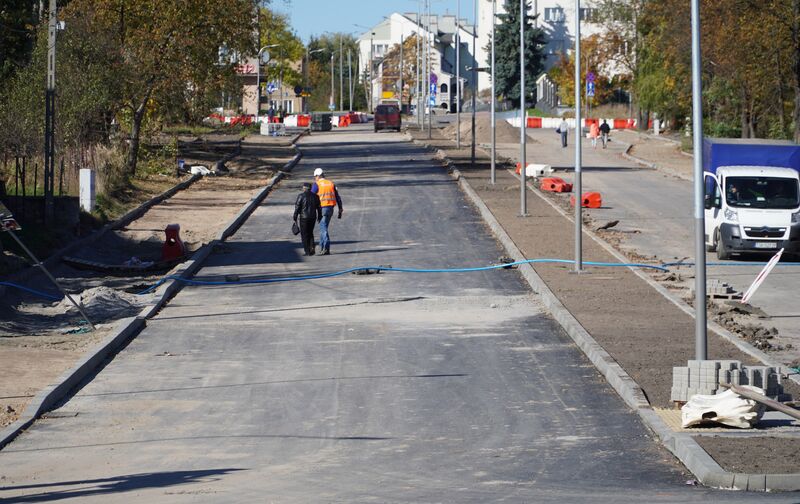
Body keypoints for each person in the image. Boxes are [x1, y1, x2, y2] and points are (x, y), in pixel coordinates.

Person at [311, 168, 343, 255]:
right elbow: (337, 197)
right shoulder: (331, 183)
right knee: (323, 227)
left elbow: (311, 197)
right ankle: (323, 247)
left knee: (323, 228)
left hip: (322, 209)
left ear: (318, 175)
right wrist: (340, 208)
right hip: (330, 209)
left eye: (315, 176)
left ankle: (326, 246)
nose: (315, 178)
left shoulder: (316, 184)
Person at [293, 182, 322, 256]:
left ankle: (307, 251)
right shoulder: (316, 196)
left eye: (303, 187)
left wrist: (295, 217)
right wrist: (319, 216)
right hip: (313, 217)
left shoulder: (301, 196)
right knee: (310, 232)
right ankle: (312, 248)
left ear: (304, 188)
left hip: (303, 218)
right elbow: (319, 207)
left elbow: (297, 207)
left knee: (304, 234)